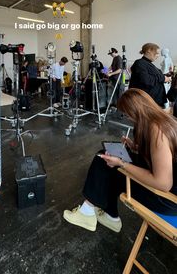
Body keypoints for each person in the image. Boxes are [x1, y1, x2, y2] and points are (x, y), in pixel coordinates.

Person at [63, 88, 177, 233]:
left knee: (106, 163)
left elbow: (163, 183)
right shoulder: (162, 120)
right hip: (170, 191)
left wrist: (122, 164)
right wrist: (135, 146)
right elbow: (164, 156)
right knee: (108, 158)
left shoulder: (157, 131)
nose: (128, 117)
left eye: (127, 114)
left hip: (166, 200)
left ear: (135, 111)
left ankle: (88, 213)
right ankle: (110, 216)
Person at [129, 43, 171, 108]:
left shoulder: (149, 64)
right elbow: (146, 80)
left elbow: (155, 77)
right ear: (149, 51)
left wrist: (166, 75)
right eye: (157, 53)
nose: (158, 56)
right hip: (147, 104)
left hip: (154, 102)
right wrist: (163, 78)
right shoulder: (139, 63)